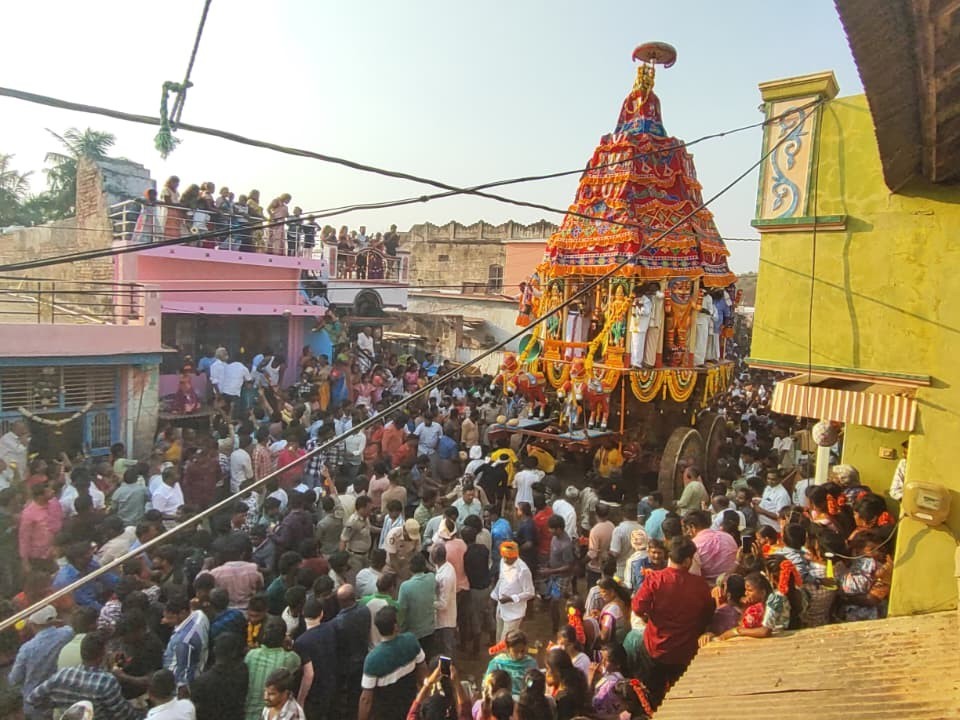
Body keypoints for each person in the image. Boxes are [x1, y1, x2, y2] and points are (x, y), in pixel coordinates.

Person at [631, 537, 714, 711]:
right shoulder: (699, 585)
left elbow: (638, 607)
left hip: (655, 648)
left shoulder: (655, 579)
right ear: (687, 561)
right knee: (684, 698)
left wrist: (650, 618)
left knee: (653, 697)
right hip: (685, 651)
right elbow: (708, 613)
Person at [26, 632, 138, 720]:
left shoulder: (63, 674)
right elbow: (123, 715)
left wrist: (57, 704)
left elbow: (32, 698)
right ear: (102, 654)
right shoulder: (107, 681)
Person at [357, 606, 426, 720]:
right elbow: (423, 672)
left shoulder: (372, 659)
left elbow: (366, 699)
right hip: (410, 706)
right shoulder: (411, 640)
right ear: (395, 626)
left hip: (385, 713)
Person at [9, 605, 75, 717]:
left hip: (35, 703)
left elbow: (14, 679)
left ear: (32, 624)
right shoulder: (67, 633)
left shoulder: (26, 649)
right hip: (62, 696)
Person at [244, 617, 301, 720]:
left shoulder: (251, 655)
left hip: (249, 714)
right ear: (283, 637)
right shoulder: (289, 658)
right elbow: (298, 663)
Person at [294, 599, 337, 720]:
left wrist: (300, 700)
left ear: (303, 613)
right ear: (321, 613)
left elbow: (309, 675)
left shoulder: (301, 642)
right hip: (330, 684)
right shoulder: (330, 629)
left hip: (314, 693)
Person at [190, 633, 249, 720]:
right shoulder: (243, 672)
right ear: (235, 652)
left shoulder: (202, 681)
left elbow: (197, 710)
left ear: (214, 650)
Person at [332, 585, 371, 718]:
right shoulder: (365, 610)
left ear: (341, 602)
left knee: (349, 694)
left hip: (347, 662)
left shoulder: (338, 622)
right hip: (363, 656)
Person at [162, 595, 210, 692]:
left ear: (183, 613)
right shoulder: (200, 615)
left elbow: (183, 676)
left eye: (171, 618)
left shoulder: (184, 641)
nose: (167, 621)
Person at [489, 541, 534, 640]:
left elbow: (530, 593)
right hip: (501, 608)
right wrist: (494, 596)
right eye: (504, 557)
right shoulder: (502, 562)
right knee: (498, 639)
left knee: (505, 643)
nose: (505, 560)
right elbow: (501, 580)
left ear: (515, 556)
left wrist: (511, 598)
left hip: (514, 613)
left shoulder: (523, 570)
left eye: (508, 558)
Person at [541, 514, 576, 635]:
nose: (549, 530)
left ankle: (555, 628)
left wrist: (550, 571)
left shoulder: (566, 545)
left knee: (554, 603)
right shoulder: (555, 538)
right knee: (558, 595)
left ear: (559, 529)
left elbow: (569, 566)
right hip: (554, 574)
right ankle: (571, 597)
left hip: (562, 577)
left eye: (551, 528)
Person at [19, 481, 63, 574]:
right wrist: (25, 561)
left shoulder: (54, 503)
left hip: (55, 550)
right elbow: (24, 538)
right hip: (38, 556)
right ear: (40, 496)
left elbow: (59, 523)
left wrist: (56, 545)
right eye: (48, 491)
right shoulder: (29, 513)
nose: (52, 491)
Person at [685, 510, 738, 584]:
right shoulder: (728, 537)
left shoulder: (694, 545)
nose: (688, 533)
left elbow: (694, 576)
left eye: (687, 529)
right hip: (733, 584)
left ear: (692, 527)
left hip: (708, 588)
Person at [397, 554, 436, 654]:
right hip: (430, 630)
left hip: (412, 633)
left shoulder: (405, 586)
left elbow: (401, 611)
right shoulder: (432, 578)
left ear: (410, 567)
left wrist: (400, 629)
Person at [484, 629, 538, 696]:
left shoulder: (531, 663)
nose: (520, 655)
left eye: (522, 651)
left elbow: (535, 684)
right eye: (515, 651)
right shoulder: (497, 663)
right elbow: (486, 685)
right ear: (507, 649)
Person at [544, 647, 588, 720]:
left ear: (557, 672)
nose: (547, 673)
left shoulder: (563, 698)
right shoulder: (577, 680)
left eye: (548, 669)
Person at [431, 542, 458, 658]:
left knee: (446, 649)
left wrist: (427, 602)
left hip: (445, 620)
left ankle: (447, 673)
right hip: (442, 619)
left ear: (435, 558)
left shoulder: (446, 576)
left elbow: (443, 604)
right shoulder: (445, 566)